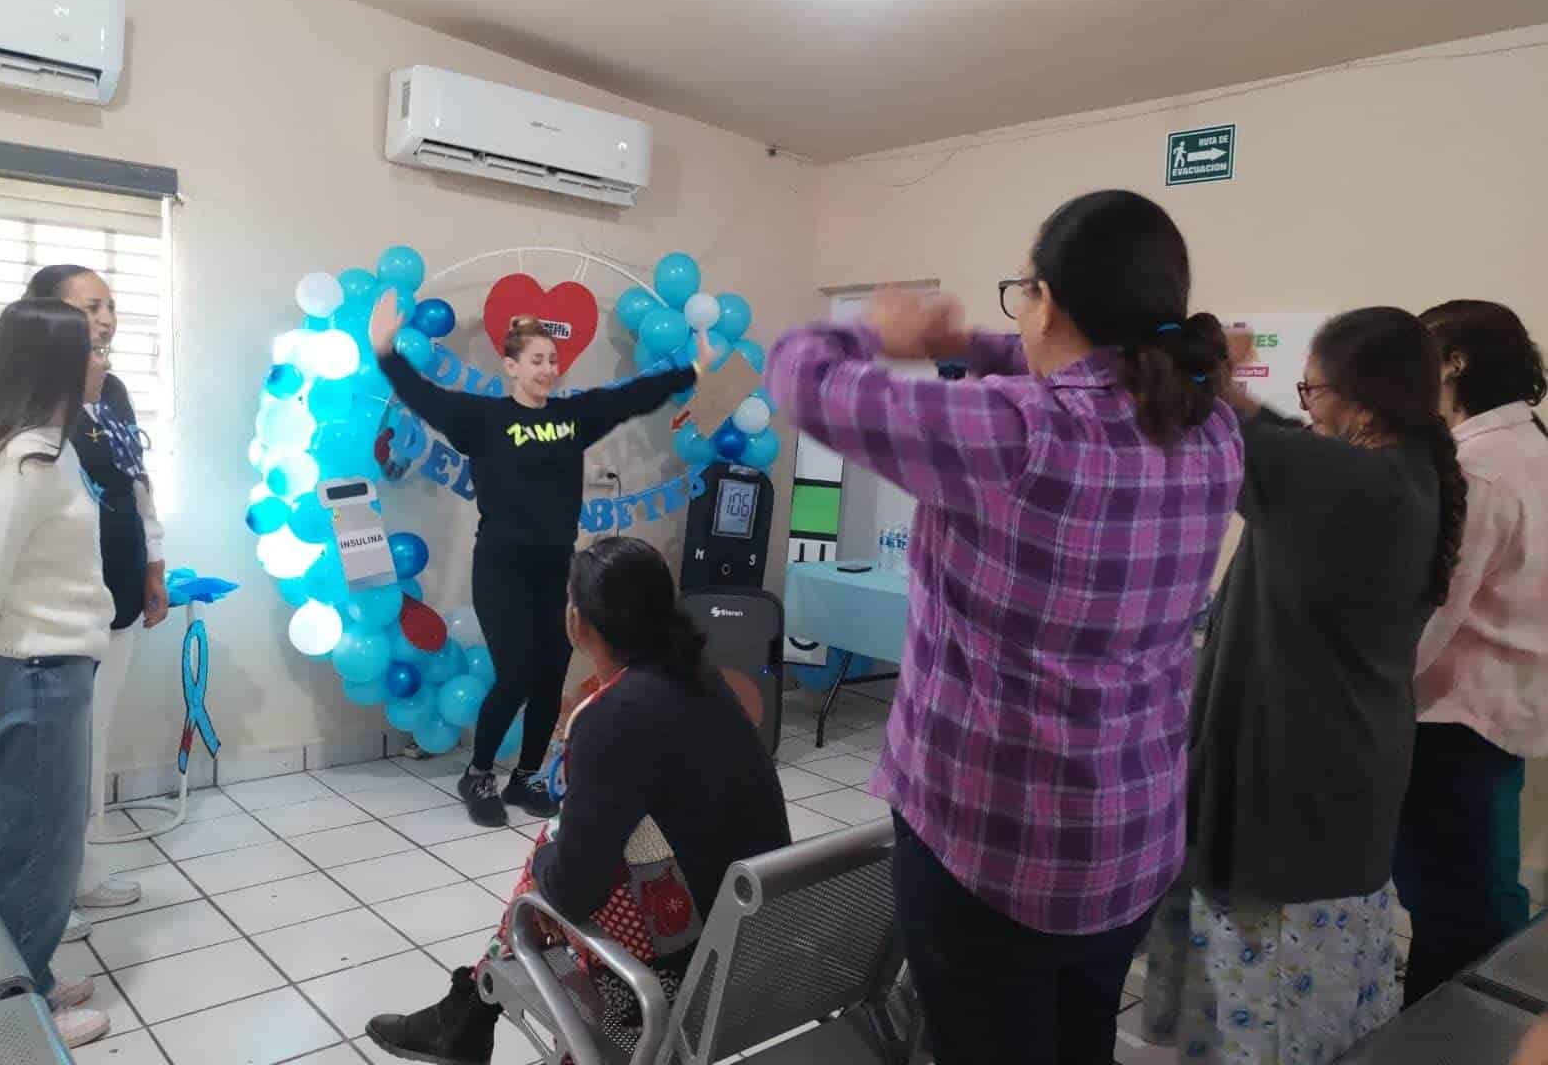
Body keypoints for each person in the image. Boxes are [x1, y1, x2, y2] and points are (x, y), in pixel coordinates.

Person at [766, 190, 1245, 1065]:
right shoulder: (1210, 427)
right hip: (1131, 838)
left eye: (1020, 293)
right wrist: (961, 344)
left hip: (992, 847)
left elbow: (801, 376)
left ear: (1048, 299)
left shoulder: (1018, 434)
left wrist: (875, 328)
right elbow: (1073, 367)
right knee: (1076, 1041)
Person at [1144, 307, 1466, 1062]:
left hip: (1293, 796)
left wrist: (1207, 365)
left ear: (1360, 398)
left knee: (1277, 1021)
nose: (1306, 404)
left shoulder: (1357, 488)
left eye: (1312, 389)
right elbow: (1276, 438)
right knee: (1325, 1004)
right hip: (1338, 782)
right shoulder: (1402, 473)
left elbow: (1225, 421)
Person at [365, 536, 790, 1063]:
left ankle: (470, 1012)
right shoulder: (701, 678)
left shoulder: (611, 714)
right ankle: (468, 1013)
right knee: (578, 839)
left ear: (576, 622)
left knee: (552, 850)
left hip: (682, 972)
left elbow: (571, 893)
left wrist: (545, 863)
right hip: (758, 941)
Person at [371, 295, 709, 826]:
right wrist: (386, 353)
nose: (548, 369)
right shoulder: (482, 418)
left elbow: (631, 397)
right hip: (501, 569)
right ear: (510, 367)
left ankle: (525, 778)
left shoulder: (572, 418)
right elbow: (425, 396)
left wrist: (691, 369)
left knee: (552, 673)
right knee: (516, 674)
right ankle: (477, 773)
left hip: (556, 569)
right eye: (536, 360)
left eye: (552, 360)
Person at [0, 299, 117, 1048]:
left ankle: (30, 975)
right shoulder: (23, 460)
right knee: (30, 848)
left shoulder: (53, 446)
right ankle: (9, 1012)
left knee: (39, 842)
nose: (104, 357)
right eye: (92, 346)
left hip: (48, 668)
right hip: (29, 672)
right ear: (53, 363)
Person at [1392, 300, 1548, 1004]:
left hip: (1453, 718)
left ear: (1454, 364)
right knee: (1480, 888)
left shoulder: (1478, 468)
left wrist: (1366, 692)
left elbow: (1433, 611)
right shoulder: (1531, 446)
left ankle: (1448, 1035)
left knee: (1457, 910)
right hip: (1503, 709)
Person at [24, 264, 169, 934]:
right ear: (49, 316)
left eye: (110, 306)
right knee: (54, 755)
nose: (106, 319)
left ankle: (79, 873)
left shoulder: (110, 390)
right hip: (54, 608)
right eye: (90, 307)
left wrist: (155, 564)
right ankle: (43, 890)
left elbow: (138, 484)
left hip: (119, 587)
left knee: (94, 739)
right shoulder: (28, 397)